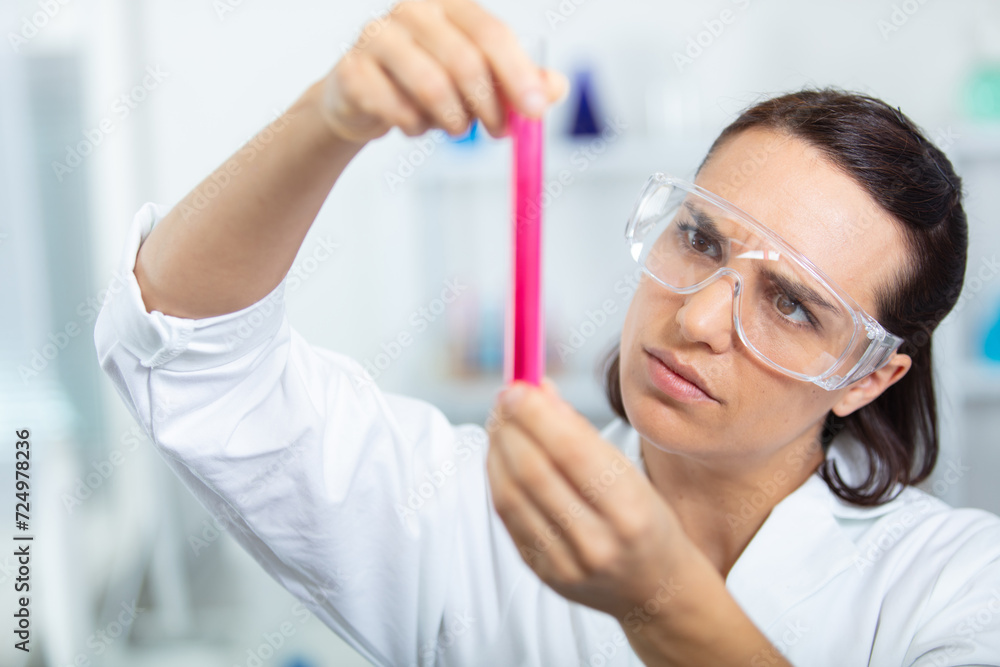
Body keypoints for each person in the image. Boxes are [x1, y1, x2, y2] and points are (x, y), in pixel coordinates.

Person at [93, 0, 1000, 664]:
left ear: (867, 377)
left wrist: (658, 600)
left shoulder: (955, 586)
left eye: (792, 304)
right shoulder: (466, 515)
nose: (694, 317)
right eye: (698, 238)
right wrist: (328, 117)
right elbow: (190, 350)